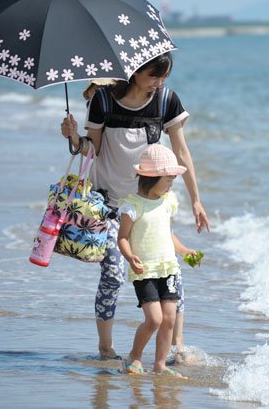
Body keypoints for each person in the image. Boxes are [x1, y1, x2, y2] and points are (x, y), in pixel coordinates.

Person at [60, 52, 210, 360]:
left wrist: (196, 199)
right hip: (113, 204)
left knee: (170, 273)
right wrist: (74, 137)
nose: (159, 83)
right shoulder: (102, 100)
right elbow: (92, 149)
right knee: (113, 274)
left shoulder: (166, 100)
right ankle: (106, 347)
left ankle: (178, 346)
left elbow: (182, 153)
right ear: (134, 72)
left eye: (163, 77)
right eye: (153, 76)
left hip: (152, 205)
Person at [117, 144, 197, 377]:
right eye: (168, 180)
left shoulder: (168, 201)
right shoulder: (132, 206)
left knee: (169, 319)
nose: (171, 185)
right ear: (151, 178)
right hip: (144, 270)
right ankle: (135, 356)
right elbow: (122, 237)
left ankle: (160, 364)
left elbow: (168, 234)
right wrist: (130, 256)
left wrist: (184, 251)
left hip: (168, 268)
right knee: (154, 319)